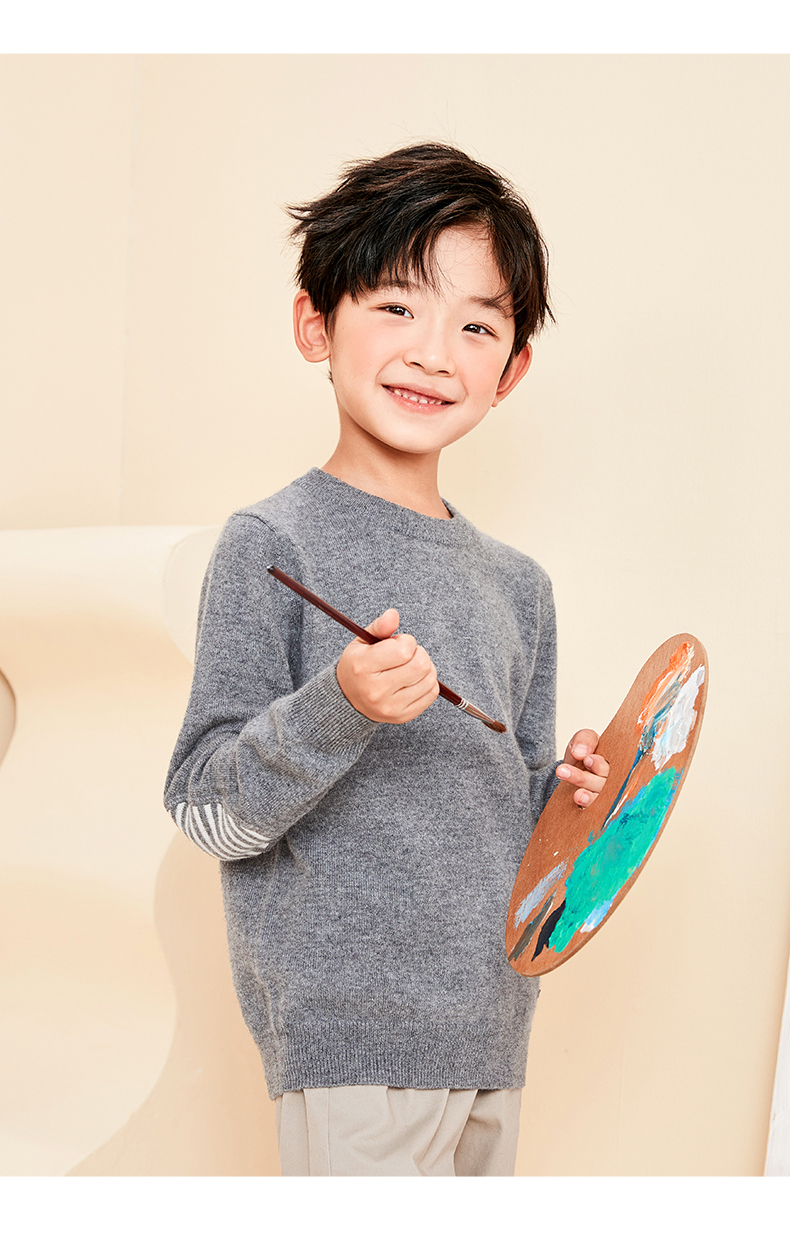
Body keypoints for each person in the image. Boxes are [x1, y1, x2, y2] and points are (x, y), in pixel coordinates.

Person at [164, 142, 609, 1176]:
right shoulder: (271, 544)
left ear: (512, 369)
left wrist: (564, 796)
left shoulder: (520, 587)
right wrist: (342, 704)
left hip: (493, 1030)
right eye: (397, 306)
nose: (435, 353)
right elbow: (203, 810)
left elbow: (497, 810)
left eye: (477, 325)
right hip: (351, 1042)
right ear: (314, 325)